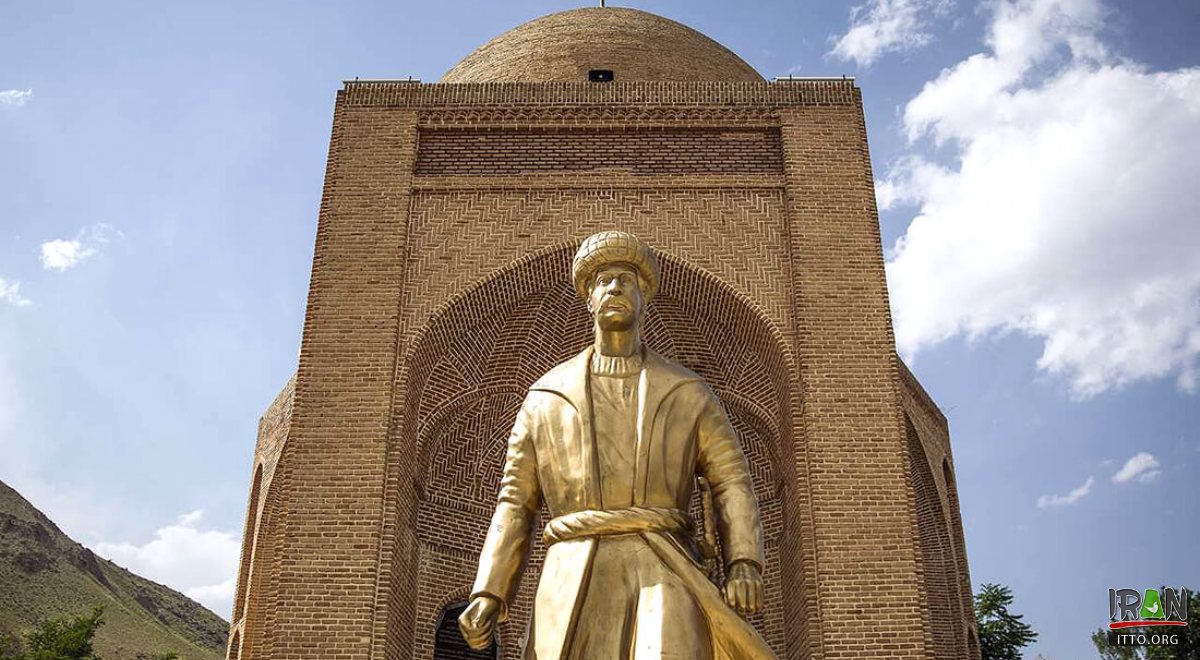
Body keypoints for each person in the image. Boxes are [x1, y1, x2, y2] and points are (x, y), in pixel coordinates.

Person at [459, 231, 777, 659]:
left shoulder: (686, 391)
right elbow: (515, 502)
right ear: (588, 298)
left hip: (665, 565)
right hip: (572, 569)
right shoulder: (545, 397)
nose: (614, 288)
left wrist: (743, 562)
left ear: (644, 296)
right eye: (604, 280)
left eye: (626, 281)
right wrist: (490, 591)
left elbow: (730, 480)